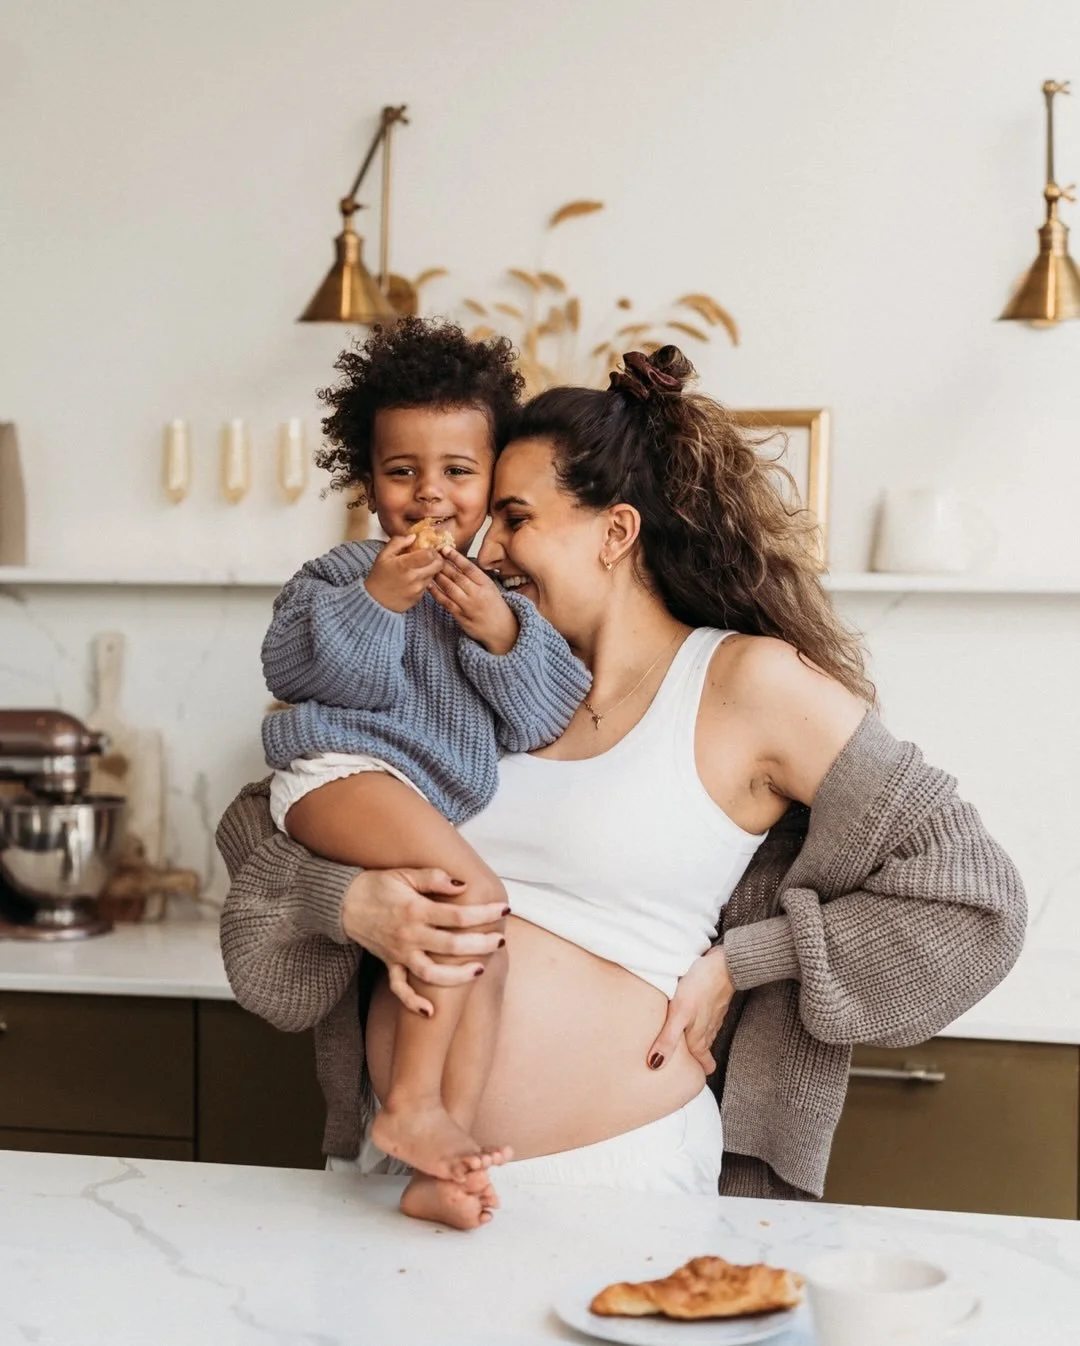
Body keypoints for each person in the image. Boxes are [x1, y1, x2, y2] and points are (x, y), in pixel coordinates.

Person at [218, 345, 1026, 1229]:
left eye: (514, 518)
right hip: (395, 1173)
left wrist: (743, 963)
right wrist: (350, 902)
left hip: (618, 1193)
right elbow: (272, 825)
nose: (487, 547)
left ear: (615, 532)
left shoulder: (748, 685)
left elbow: (972, 896)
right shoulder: (478, 674)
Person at [258, 316, 590, 1227]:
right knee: (473, 896)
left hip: (413, 801)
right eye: (403, 473)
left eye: (457, 472)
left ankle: (440, 1157)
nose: (429, 495)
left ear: (492, 484)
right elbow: (297, 671)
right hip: (339, 776)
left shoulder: (507, 596)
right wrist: (377, 603)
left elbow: (544, 712)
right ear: (369, 485)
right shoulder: (337, 575)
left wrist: (501, 632)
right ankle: (408, 1108)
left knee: (475, 955)